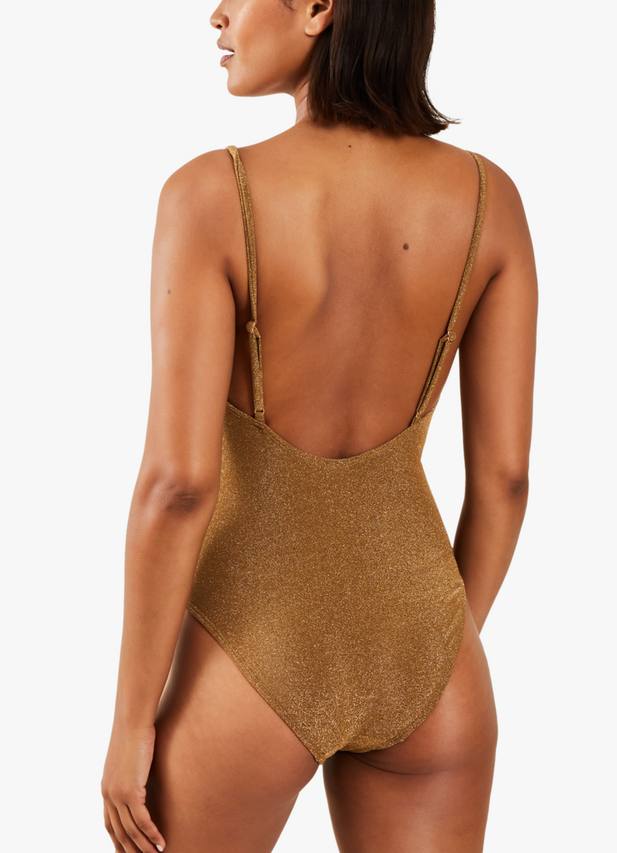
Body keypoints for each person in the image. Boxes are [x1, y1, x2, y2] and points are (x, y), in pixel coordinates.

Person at [101, 0, 537, 850]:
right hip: (428, 650)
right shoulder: (491, 199)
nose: (218, 14)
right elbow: (506, 481)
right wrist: (430, 644)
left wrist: (129, 725)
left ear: (316, 7)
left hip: (251, 649)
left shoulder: (210, 195)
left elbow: (178, 485)